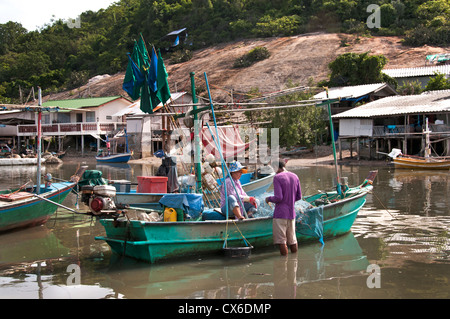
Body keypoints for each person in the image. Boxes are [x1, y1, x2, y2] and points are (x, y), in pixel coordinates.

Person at [265, 160, 302, 256]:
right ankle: (294, 261)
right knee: (293, 239)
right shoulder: (295, 176)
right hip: (291, 214)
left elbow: (278, 197)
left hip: (280, 214)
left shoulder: (277, 178)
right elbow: (299, 197)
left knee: (281, 241)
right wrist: (289, 200)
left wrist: (268, 199)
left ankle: (284, 263)